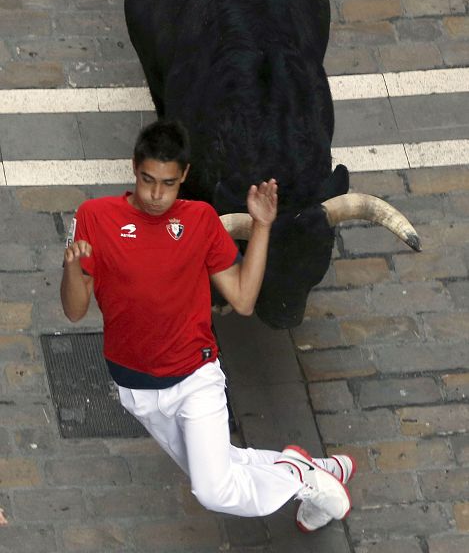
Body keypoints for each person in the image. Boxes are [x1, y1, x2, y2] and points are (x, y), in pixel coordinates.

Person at [61, 119, 355, 532]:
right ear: (133, 168)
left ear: (184, 176)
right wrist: (73, 270)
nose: (157, 194)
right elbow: (75, 311)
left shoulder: (199, 220)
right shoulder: (95, 216)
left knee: (214, 489)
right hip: (135, 387)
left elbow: (243, 298)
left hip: (195, 379)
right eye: (148, 180)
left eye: (167, 182)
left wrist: (262, 227)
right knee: (222, 466)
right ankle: (313, 467)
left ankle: (305, 480)